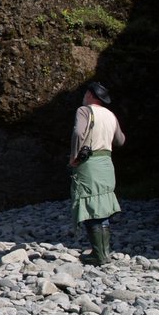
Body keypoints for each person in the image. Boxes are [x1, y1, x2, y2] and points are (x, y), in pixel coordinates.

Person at [69, 81, 126, 265]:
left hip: (89, 162)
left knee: (91, 205)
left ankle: (98, 254)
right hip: (106, 163)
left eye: (86, 92)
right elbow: (120, 140)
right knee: (103, 205)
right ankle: (104, 252)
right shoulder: (110, 115)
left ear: (91, 95)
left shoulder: (84, 111)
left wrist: (75, 157)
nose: (84, 95)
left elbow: (78, 133)